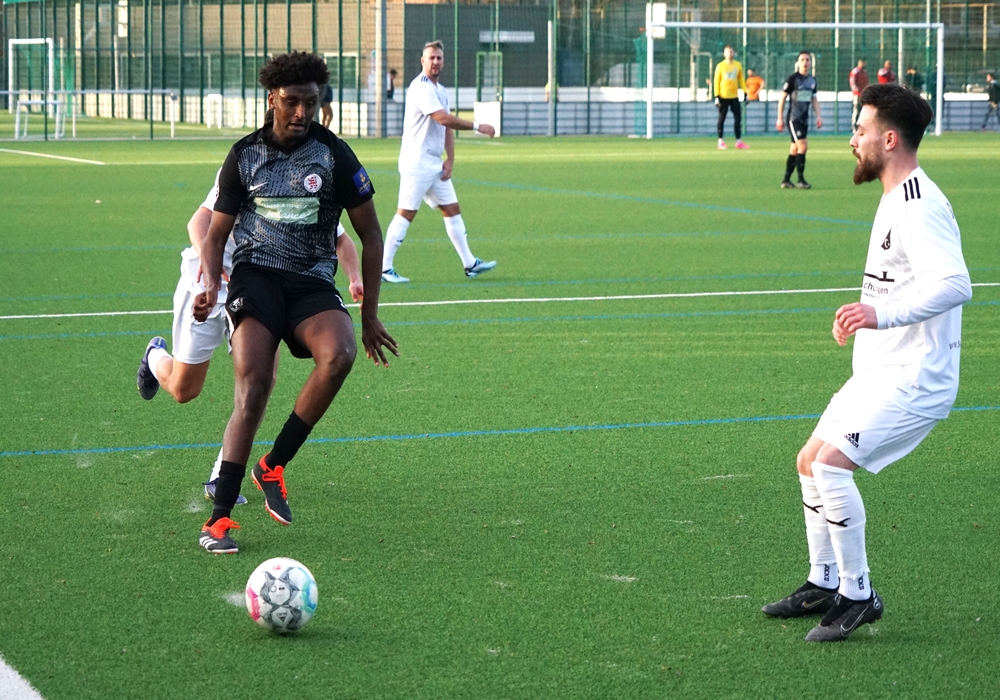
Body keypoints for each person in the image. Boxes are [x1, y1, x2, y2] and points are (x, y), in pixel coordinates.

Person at [761, 83, 972, 642]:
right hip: (880, 371)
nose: (853, 139)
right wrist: (861, 319)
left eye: (861, 129)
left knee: (832, 466)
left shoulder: (920, 205)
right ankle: (823, 580)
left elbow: (955, 284)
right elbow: (892, 286)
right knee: (809, 462)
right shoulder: (893, 195)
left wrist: (879, 316)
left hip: (917, 379)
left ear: (890, 139)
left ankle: (858, 594)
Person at [196, 51, 398, 554]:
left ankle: (273, 465)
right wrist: (210, 286)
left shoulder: (334, 155)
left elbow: (371, 235)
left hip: (310, 281)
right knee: (254, 385)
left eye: (311, 102)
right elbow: (215, 234)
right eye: (291, 102)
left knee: (340, 354)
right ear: (272, 99)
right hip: (256, 278)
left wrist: (370, 314)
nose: (301, 112)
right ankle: (219, 519)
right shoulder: (244, 155)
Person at [135, 167, 363, 504]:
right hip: (207, 283)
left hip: (258, 290)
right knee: (184, 389)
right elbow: (198, 222)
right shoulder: (248, 165)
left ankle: (222, 474)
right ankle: (154, 356)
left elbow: (340, 237)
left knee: (262, 378)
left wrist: (355, 277)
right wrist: (211, 264)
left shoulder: (309, 176)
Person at [381, 40, 498, 284]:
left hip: (434, 164)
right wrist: (477, 125)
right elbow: (443, 118)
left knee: (452, 209)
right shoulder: (421, 87)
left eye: (439, 58)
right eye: (431, 58)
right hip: (416, 162)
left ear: (444, 62)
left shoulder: (440, 90)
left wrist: (450, 159)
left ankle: (470, 263)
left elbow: (446, 128)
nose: (435, 62)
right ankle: (384, 268)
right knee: (406, 213)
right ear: (422, 61)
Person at [776, 51, 822, 189]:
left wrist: (818, 116)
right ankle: (801, 180)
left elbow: (814, 99)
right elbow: (782, 98)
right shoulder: (793, 79)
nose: (805, 62)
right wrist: (779, 118)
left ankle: (786, 180)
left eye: (807, 60)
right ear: (798, 62)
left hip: (804, 119)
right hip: (794, 118)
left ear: (811, 63)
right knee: (803, 146)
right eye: (802, 60)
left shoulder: (812, 80)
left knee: (794, 149)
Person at [713, 46, 749, 149]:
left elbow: (741, 79)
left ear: (734, 53)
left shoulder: (737, 65)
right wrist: (717, 96)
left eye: (731, 52)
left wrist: (745, 92)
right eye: (727, 52)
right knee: (722, 118)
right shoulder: (720, 66)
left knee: (738, 118)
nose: (729, 54)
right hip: (723, 96)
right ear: (724, 54)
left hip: (734, 96)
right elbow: (716, 81)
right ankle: (720, 141)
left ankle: (738, 141)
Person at [849, 59, 869, 131]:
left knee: (863, 111)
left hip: (863, 94)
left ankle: (861, 127)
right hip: (857, 95)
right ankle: (854, 126)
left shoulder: (864, 72)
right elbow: (852, 82)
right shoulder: (855, 71)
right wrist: (856, 91)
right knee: (856, 110)